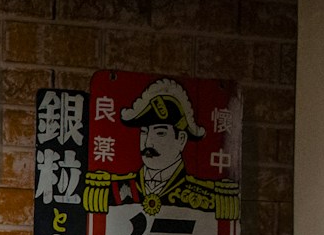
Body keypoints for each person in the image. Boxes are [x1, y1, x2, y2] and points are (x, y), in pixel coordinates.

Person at [80, 78, 239, 221]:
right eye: (144, 132)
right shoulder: (111, 192)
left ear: (181, 140)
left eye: (160, 133)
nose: (148, 142)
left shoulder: (210, 198)